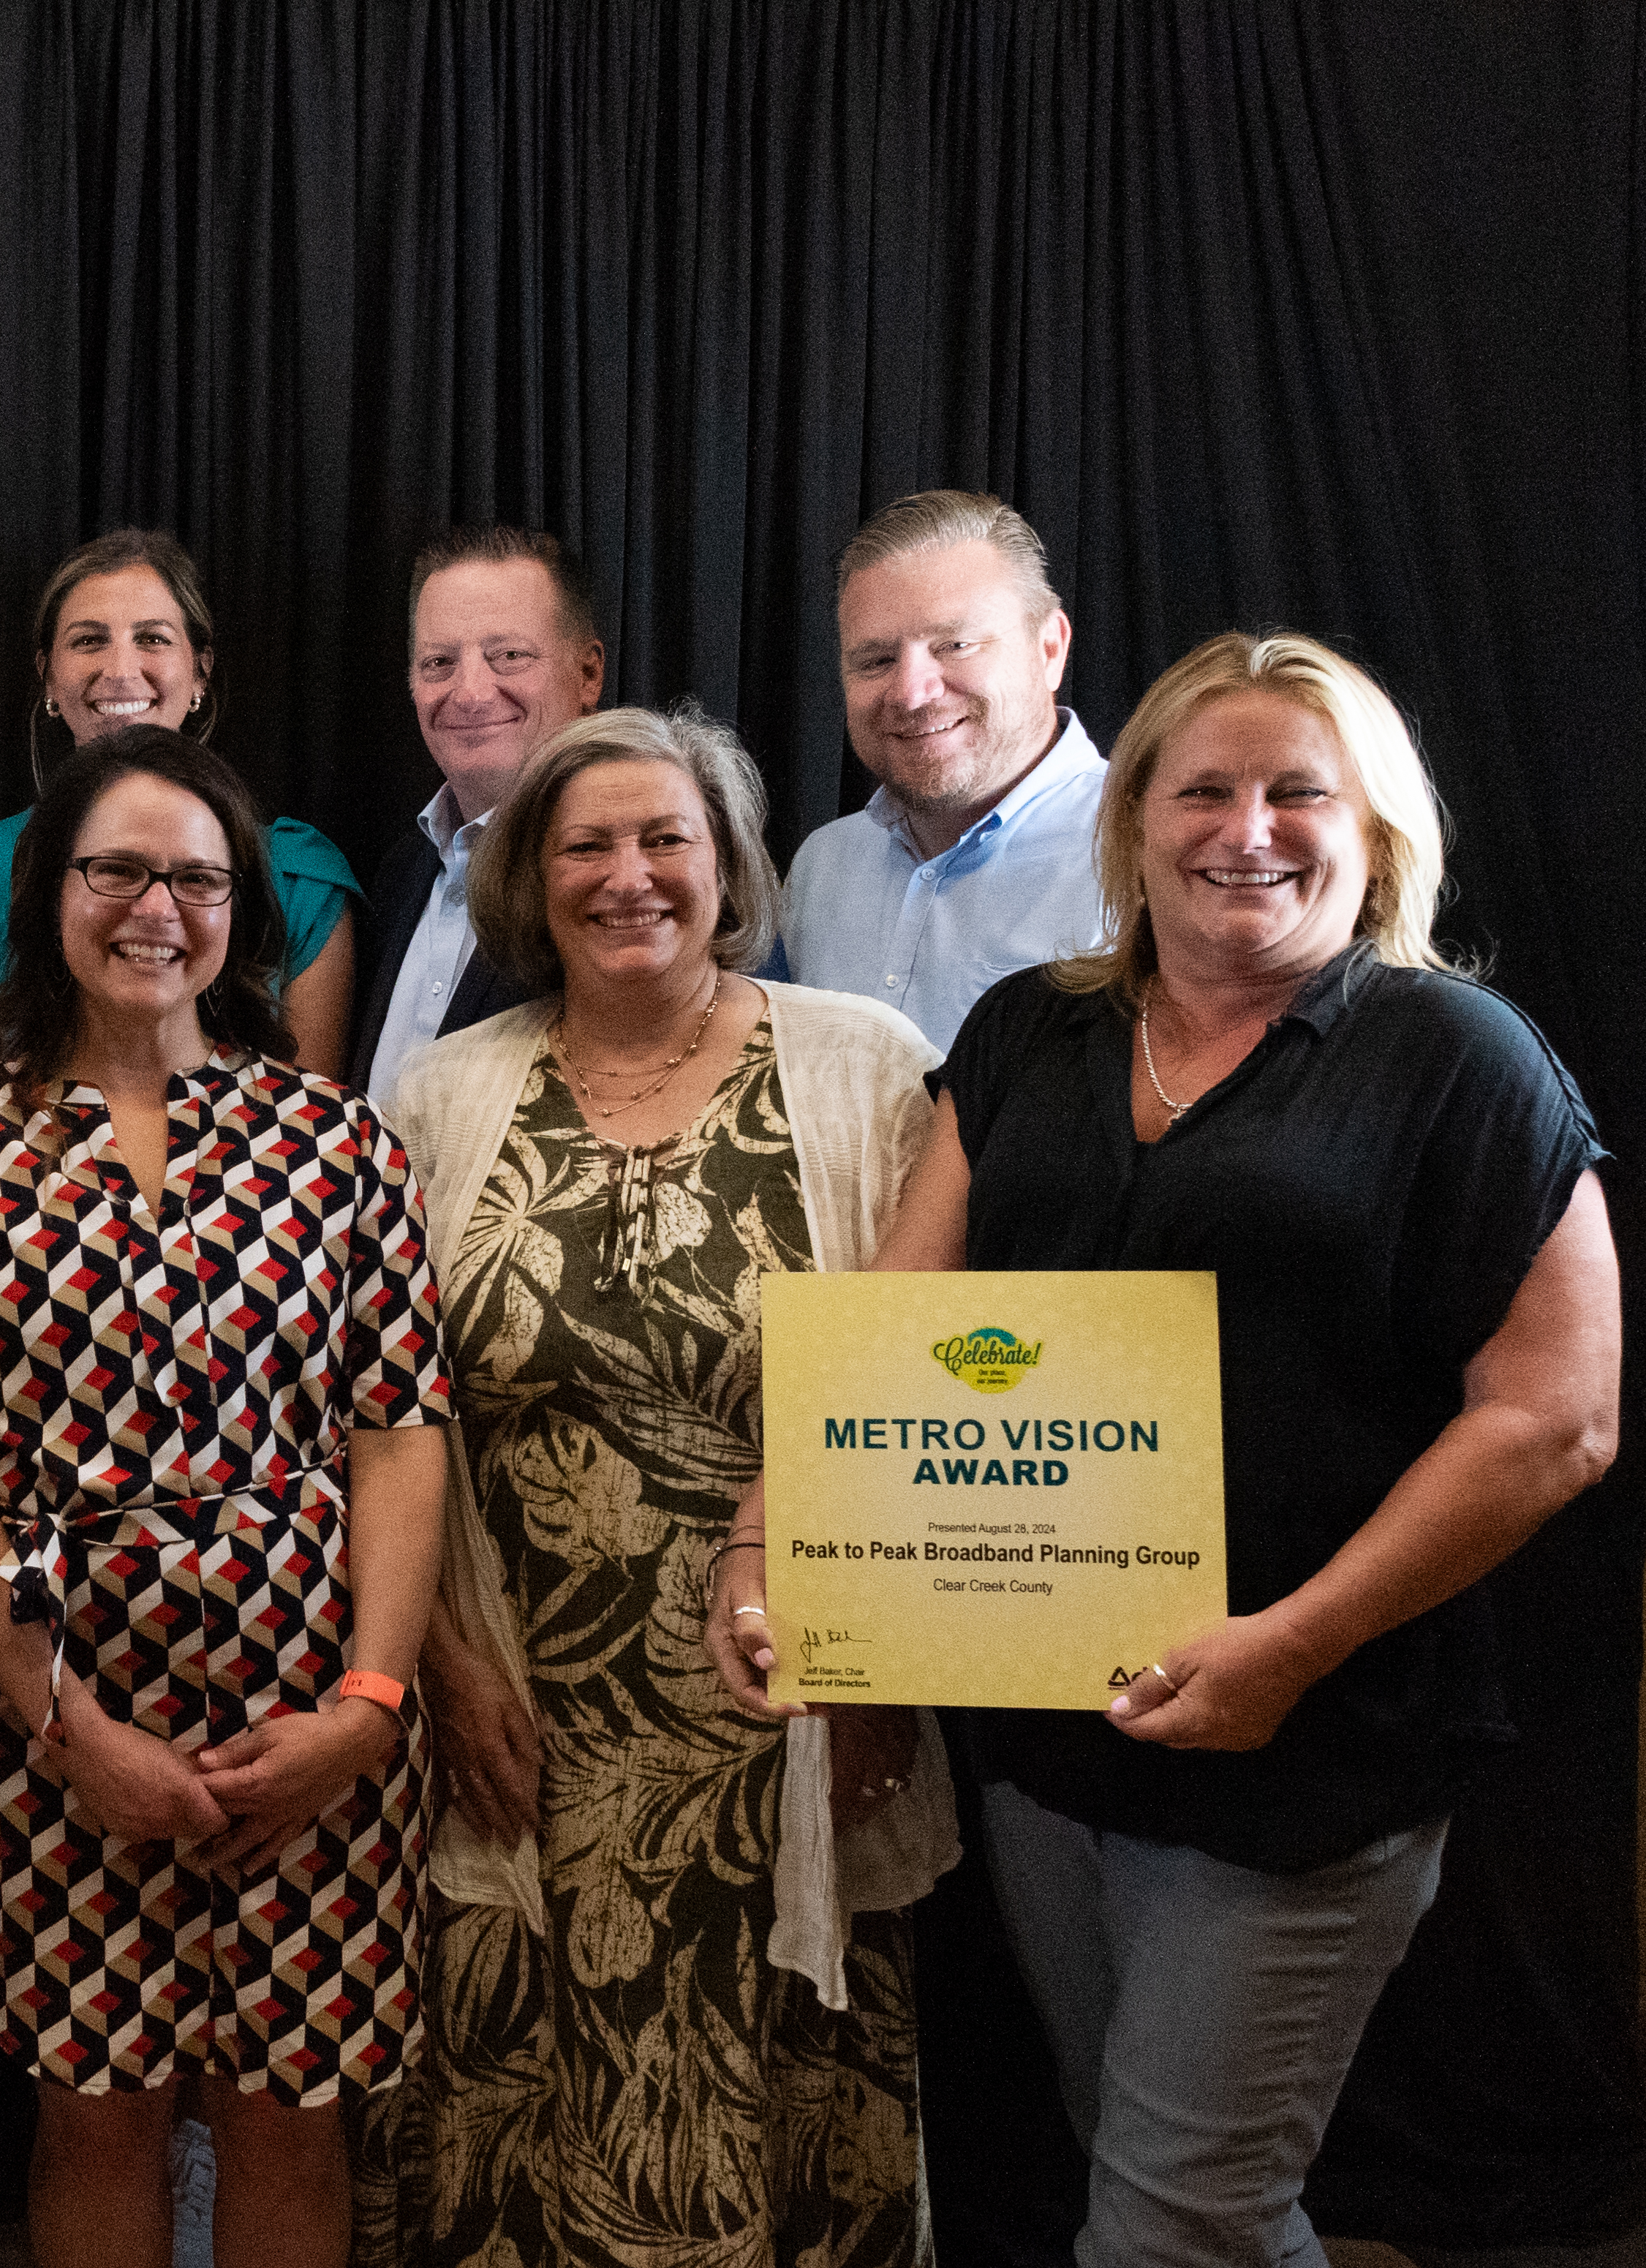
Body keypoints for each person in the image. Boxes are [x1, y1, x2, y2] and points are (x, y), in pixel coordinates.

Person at [714, 631, 1617, 2267]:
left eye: (1296, 791)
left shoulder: (1460, 1059)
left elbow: (1555, 1419)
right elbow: (891, 1338)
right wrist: (771, 1545)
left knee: (1160, 2223)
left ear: (1377, 830)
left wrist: (1290, 1642)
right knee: (1180, 2184)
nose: (1244, 827)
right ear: (1132, 821)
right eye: (1201, 788)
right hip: (1053, 1737)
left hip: (1309, 1740)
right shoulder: (1025, 1037)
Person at [355, 705, 955, 2267]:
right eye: (584, 845)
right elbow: (377, 1409)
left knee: (774, 2108)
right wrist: (438, 1659)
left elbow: (919, 1389)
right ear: (527, 880)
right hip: (520, 1715)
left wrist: (882, 1668)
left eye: (663, 836)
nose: (628, 874)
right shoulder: (437, 1095)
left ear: (728, 860)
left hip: (783, 1714)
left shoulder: (864, 1068)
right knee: (523, 2116)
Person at [0, 726, 448, 2268]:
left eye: (195, 875)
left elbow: (400, 1429)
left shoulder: (337, 1145)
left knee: (287, 2109)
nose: (155, 904)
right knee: (97, 2108)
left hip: (314, 1713)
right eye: (115, 867)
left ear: (237, 909)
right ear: (48, 890)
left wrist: (370, 1704)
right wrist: (67, 1727)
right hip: (57, 1720)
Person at [0, 530, 363, 1101]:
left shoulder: (300, 881)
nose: (120, 669)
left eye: (152, 638)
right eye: (89, 640)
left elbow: (311, 1146)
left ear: (200, 671)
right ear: (47, 673)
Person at [777, 489, 1107, 1052]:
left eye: (955, 644)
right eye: (877, 660)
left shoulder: (1150, 851)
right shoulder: (823, 869)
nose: (911, 693)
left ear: (1049, 648)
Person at [347, 527, 607, 1107]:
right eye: (439, 662)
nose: (469, 692)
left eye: (508, 656)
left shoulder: (627, 878)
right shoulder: (401, 873)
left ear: (588, 674)